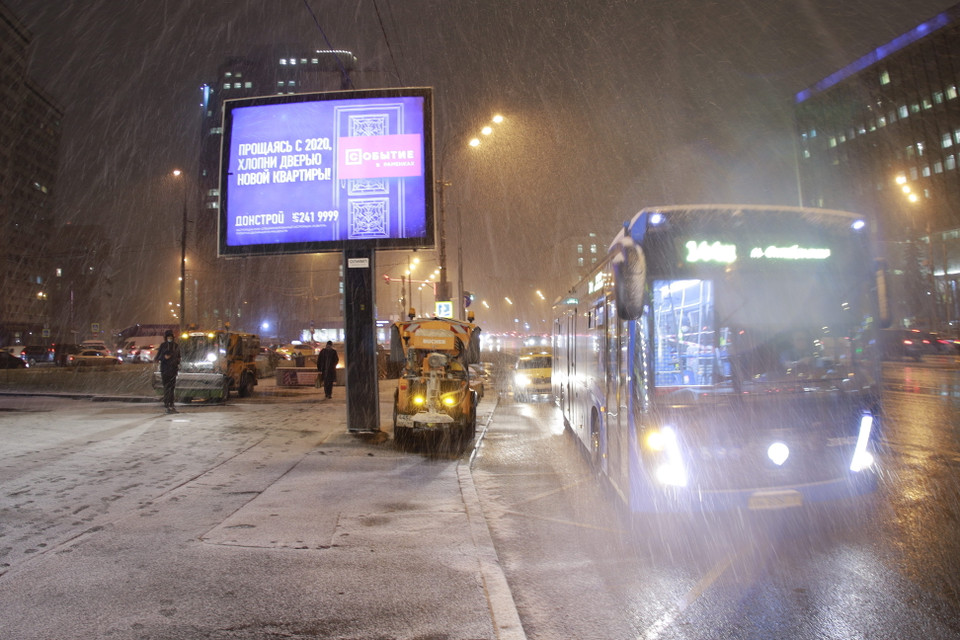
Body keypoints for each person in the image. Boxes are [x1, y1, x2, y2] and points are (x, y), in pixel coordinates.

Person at [155, 329, 181, 413]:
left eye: (171, 337)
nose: (170, 338)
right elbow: (158, 357)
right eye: (168, 337)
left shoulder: (175, 346)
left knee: (171, 388)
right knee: (167, 388)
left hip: (173, 370)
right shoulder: (163, 346)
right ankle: (167, 405)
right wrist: (164, 358)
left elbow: (179, 357)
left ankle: (171, 404)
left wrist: (175, 360)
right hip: (165, 370)